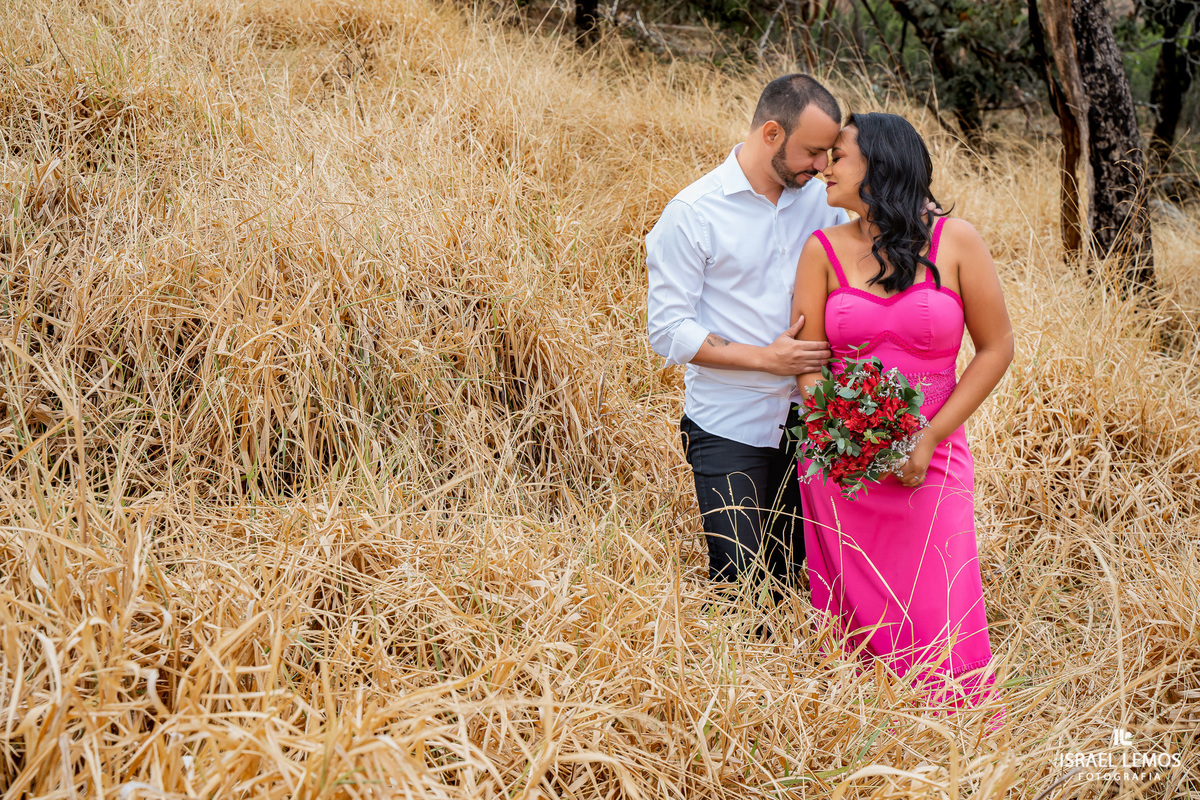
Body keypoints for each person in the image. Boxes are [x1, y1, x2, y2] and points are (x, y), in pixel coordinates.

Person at [791, 112, 1014, 707]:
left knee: (938, 605)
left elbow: (996, 349)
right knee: (855, 622)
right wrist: (847, 437)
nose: (824, 168)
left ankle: (956, 747)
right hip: (845, 467)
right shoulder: (821, 251)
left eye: (839, 156)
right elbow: (810, 363)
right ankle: (862, 749)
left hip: (934, 456)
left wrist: (928, 437)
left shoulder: (957, 241)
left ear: (881, 164)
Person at [645, 74, 848, 601]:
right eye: (813, 151)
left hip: (811, 421)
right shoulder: (692, 213)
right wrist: (766, 360)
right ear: (773, 134)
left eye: (830, 154)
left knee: (796, 577)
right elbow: (668, 330)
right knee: (741, 584)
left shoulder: (822, 201)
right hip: (728, 426)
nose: (822, 166)